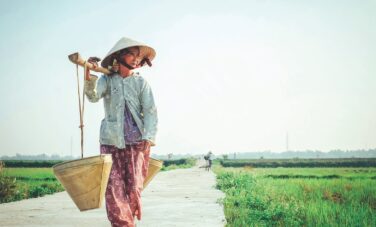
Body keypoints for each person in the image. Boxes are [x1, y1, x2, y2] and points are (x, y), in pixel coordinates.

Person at [84, 37, 158, 227]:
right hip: (111, 142)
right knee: (114, 191)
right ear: (119, 56)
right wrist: (88, 72)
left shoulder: (141, 83)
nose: (135, 59)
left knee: (133, 190)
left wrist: (148, 138)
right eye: (131, 54)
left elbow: (150, 111)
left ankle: (129, 223)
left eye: (137, 55)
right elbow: (92, 96)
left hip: (137, 144)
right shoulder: (107, 80)